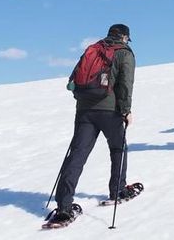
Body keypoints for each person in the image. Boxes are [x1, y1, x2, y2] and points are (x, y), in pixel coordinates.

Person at [44, 24, 137, 229]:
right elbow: (125, 84)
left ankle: (64, 207)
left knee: (77, 155)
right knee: (118, 148)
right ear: (124, 37)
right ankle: (118, 189)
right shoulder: (124, 53)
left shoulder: (92, 49)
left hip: (84, 111)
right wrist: (126, 110)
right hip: (110, 110)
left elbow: (72, 82)